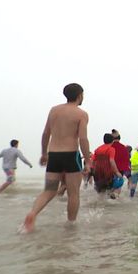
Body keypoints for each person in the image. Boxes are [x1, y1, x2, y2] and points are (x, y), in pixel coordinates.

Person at [22, 83, 91, 233]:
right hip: (71, 155)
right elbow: (83, 139)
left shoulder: (54, 111)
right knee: (73, 193)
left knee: (49, 190)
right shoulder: (81, 114)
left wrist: (44, 153)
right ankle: (71, 225)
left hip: (54, 154)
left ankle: (32, 214)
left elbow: (46, 133)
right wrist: (88, 160)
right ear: (79, 95)